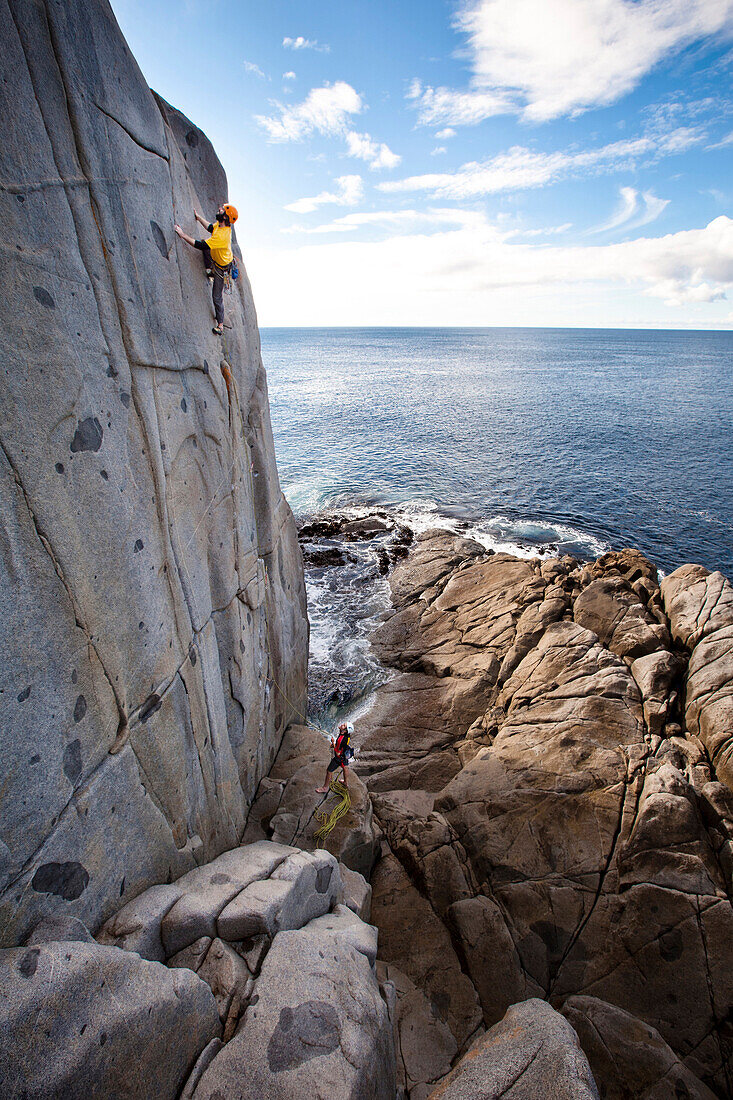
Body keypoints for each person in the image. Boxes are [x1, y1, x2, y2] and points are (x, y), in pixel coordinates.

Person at [174, 203, 238, 335]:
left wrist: (182, 235)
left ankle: (220, 325)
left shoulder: (222, 236)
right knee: (208, 245)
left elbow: (200, 245)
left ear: (225, 217)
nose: (219, 209)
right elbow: (210, 227)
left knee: (216, 296)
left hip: (222, 269)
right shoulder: (220, 226)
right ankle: (209, 269)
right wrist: (198, 217)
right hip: (217, 260)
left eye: (222, 210)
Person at [316, 722, 354, 793]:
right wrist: (335, 744)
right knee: (345, 767)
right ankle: (345, 782)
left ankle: (325, 788)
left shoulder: (341, 739)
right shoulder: (346, 735)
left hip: (339, 757)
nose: (342, 724)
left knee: (329, 771)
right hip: (345, 754)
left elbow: (337, 752)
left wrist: (333, 743)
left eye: (344, 725)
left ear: (345, 730)